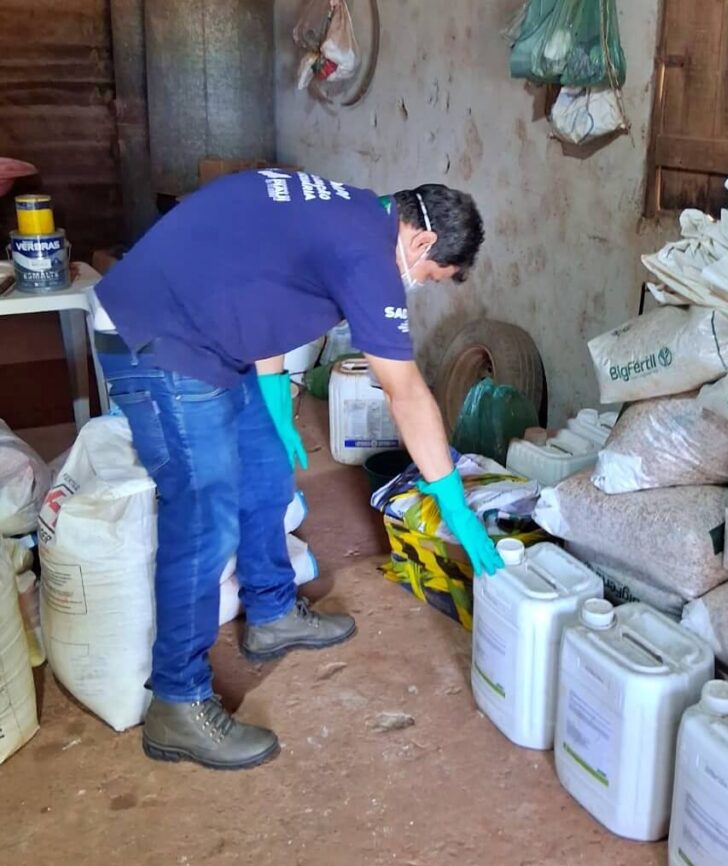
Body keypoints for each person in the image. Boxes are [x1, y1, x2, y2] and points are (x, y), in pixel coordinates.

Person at [91, 167, 504, 771]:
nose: (417, 285)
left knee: (265, 464)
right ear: (421, 241)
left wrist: (275, 396)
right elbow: (407, 393)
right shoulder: (369, 256)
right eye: (429, 277)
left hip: (205, 325)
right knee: (204, 515)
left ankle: (271, 612)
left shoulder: (353, 212)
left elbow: (265, 288)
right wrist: (455, 505)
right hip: (158, 336)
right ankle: (176, 701)